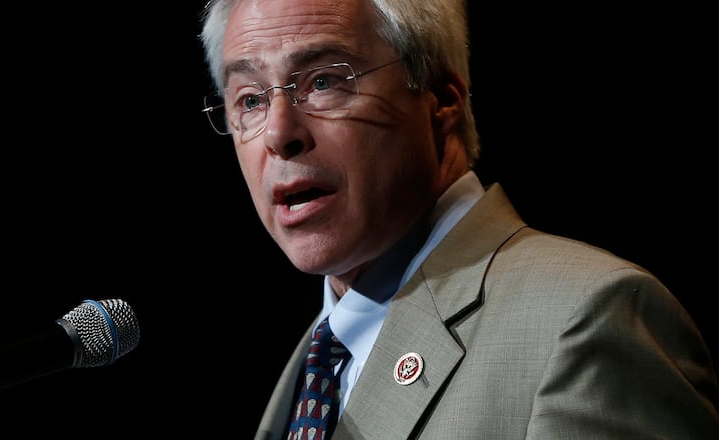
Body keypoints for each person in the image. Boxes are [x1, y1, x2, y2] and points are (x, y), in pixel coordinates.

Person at [198, 0, 719, 438]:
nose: (278, 133)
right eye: (250, 99)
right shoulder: (318, 364)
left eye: (325, 81)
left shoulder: (584, 318)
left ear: (442, 100)